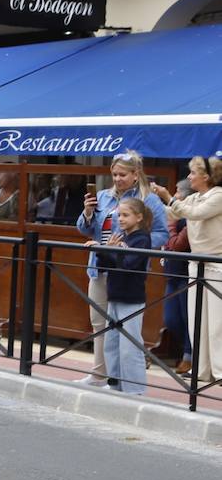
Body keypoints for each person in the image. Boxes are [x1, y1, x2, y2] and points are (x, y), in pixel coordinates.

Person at [76, 151, 168, 386]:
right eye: (114, 174)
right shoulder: (104, 197)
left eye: (122, 175)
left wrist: (133, 245)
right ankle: (100, 374)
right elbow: (85, 230)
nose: (117, 179)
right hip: (100, 267)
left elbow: (161, 233)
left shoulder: (149, 199)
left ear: (135, 175)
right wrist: (87, 213)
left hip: (128, 270)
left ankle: (127, 383)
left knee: (125, 329)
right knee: (99, 321)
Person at [153, 156, 222, 383]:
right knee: (196, 320)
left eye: (193, 173)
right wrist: (152, 200)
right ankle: (201, 369)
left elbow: (194, 214)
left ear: (207, 176)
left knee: (216, 323)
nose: (189, 177)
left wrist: (167, 197)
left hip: (215, 266)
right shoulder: (194, 197)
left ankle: (219, 372)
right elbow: (174, 213)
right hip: (196, 264)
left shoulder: (218, 196)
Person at [89, 197, 153, 395]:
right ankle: (115, 383)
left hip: (131, 298)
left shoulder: (141, 238)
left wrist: (113, 251)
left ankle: (135, 388)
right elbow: (107, 266)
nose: (120, 219)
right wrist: (102, 250)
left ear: (139, 217)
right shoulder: (121, 237)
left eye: (125, 215)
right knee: (112, 343)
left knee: (130, 345)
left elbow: (130, 264)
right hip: (115, 295)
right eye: (119, 215)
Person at [161, 177, 194, 373]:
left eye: (178, 192)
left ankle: (189, 356)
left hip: (185, 273)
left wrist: (171, 224)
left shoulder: (187, 218)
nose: (174, 195)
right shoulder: (172, 215)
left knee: (187, 317)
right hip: (171, 273)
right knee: (171, 318)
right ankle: (186, 351)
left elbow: (177, 245)